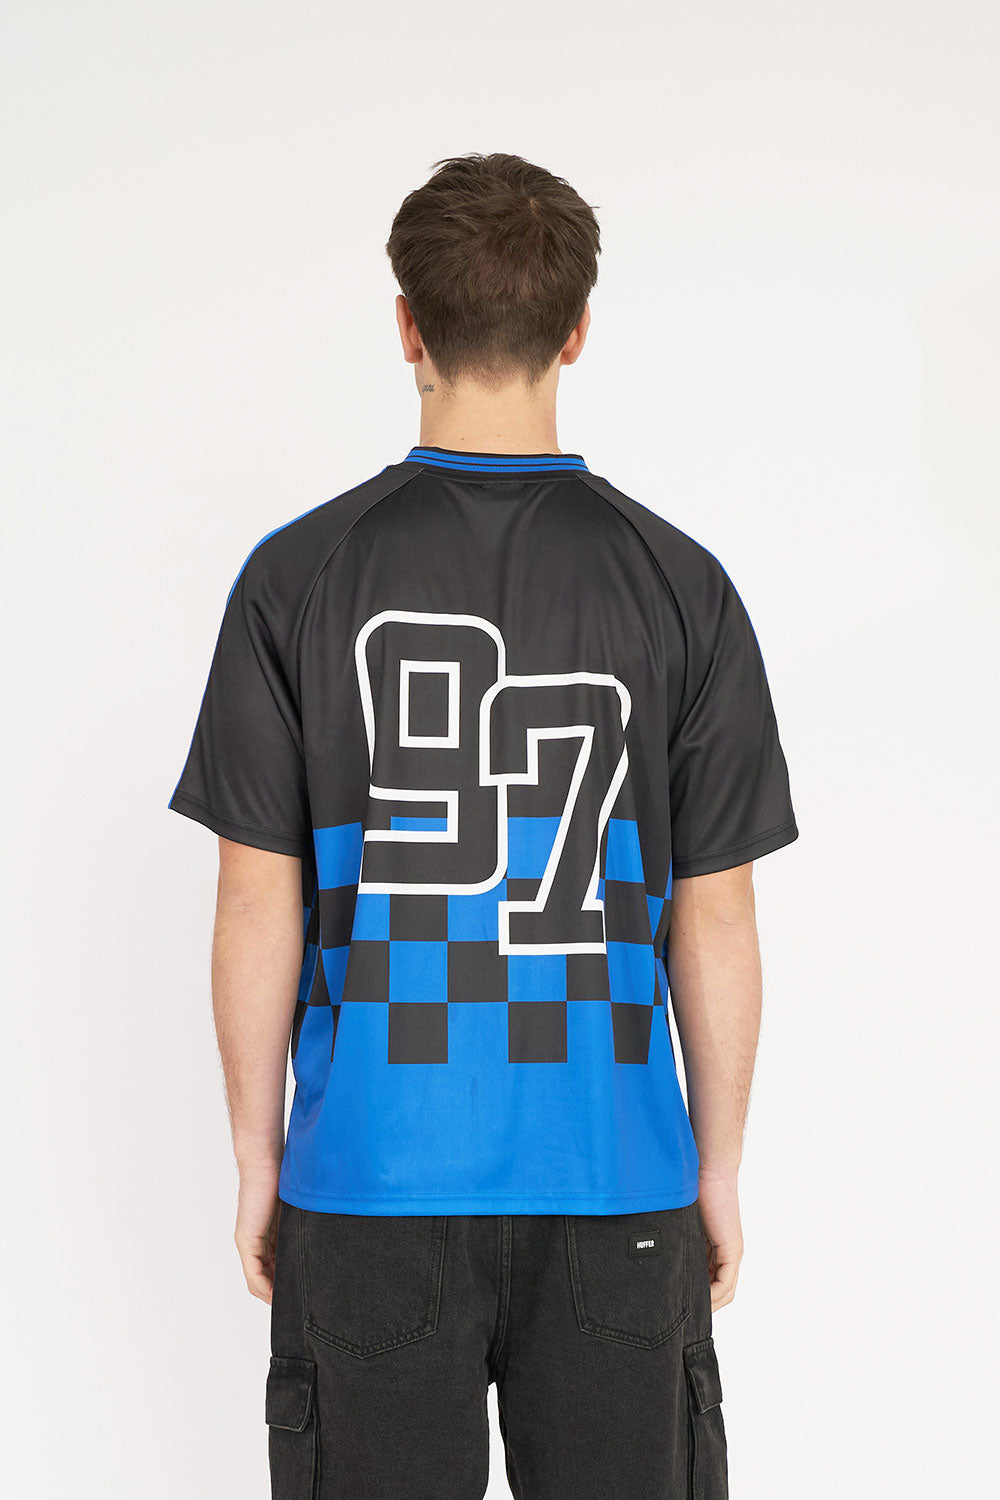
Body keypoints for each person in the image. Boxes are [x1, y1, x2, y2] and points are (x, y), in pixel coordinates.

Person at [168, 151, 799, 1500]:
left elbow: (255, 900)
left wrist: (258, 1161)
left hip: (371, 1179)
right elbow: (719, 911)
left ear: (407, 324)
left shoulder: (294, 579)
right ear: (578, 331)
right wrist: (719, 1169)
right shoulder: (682, 586)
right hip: (616, 1180)